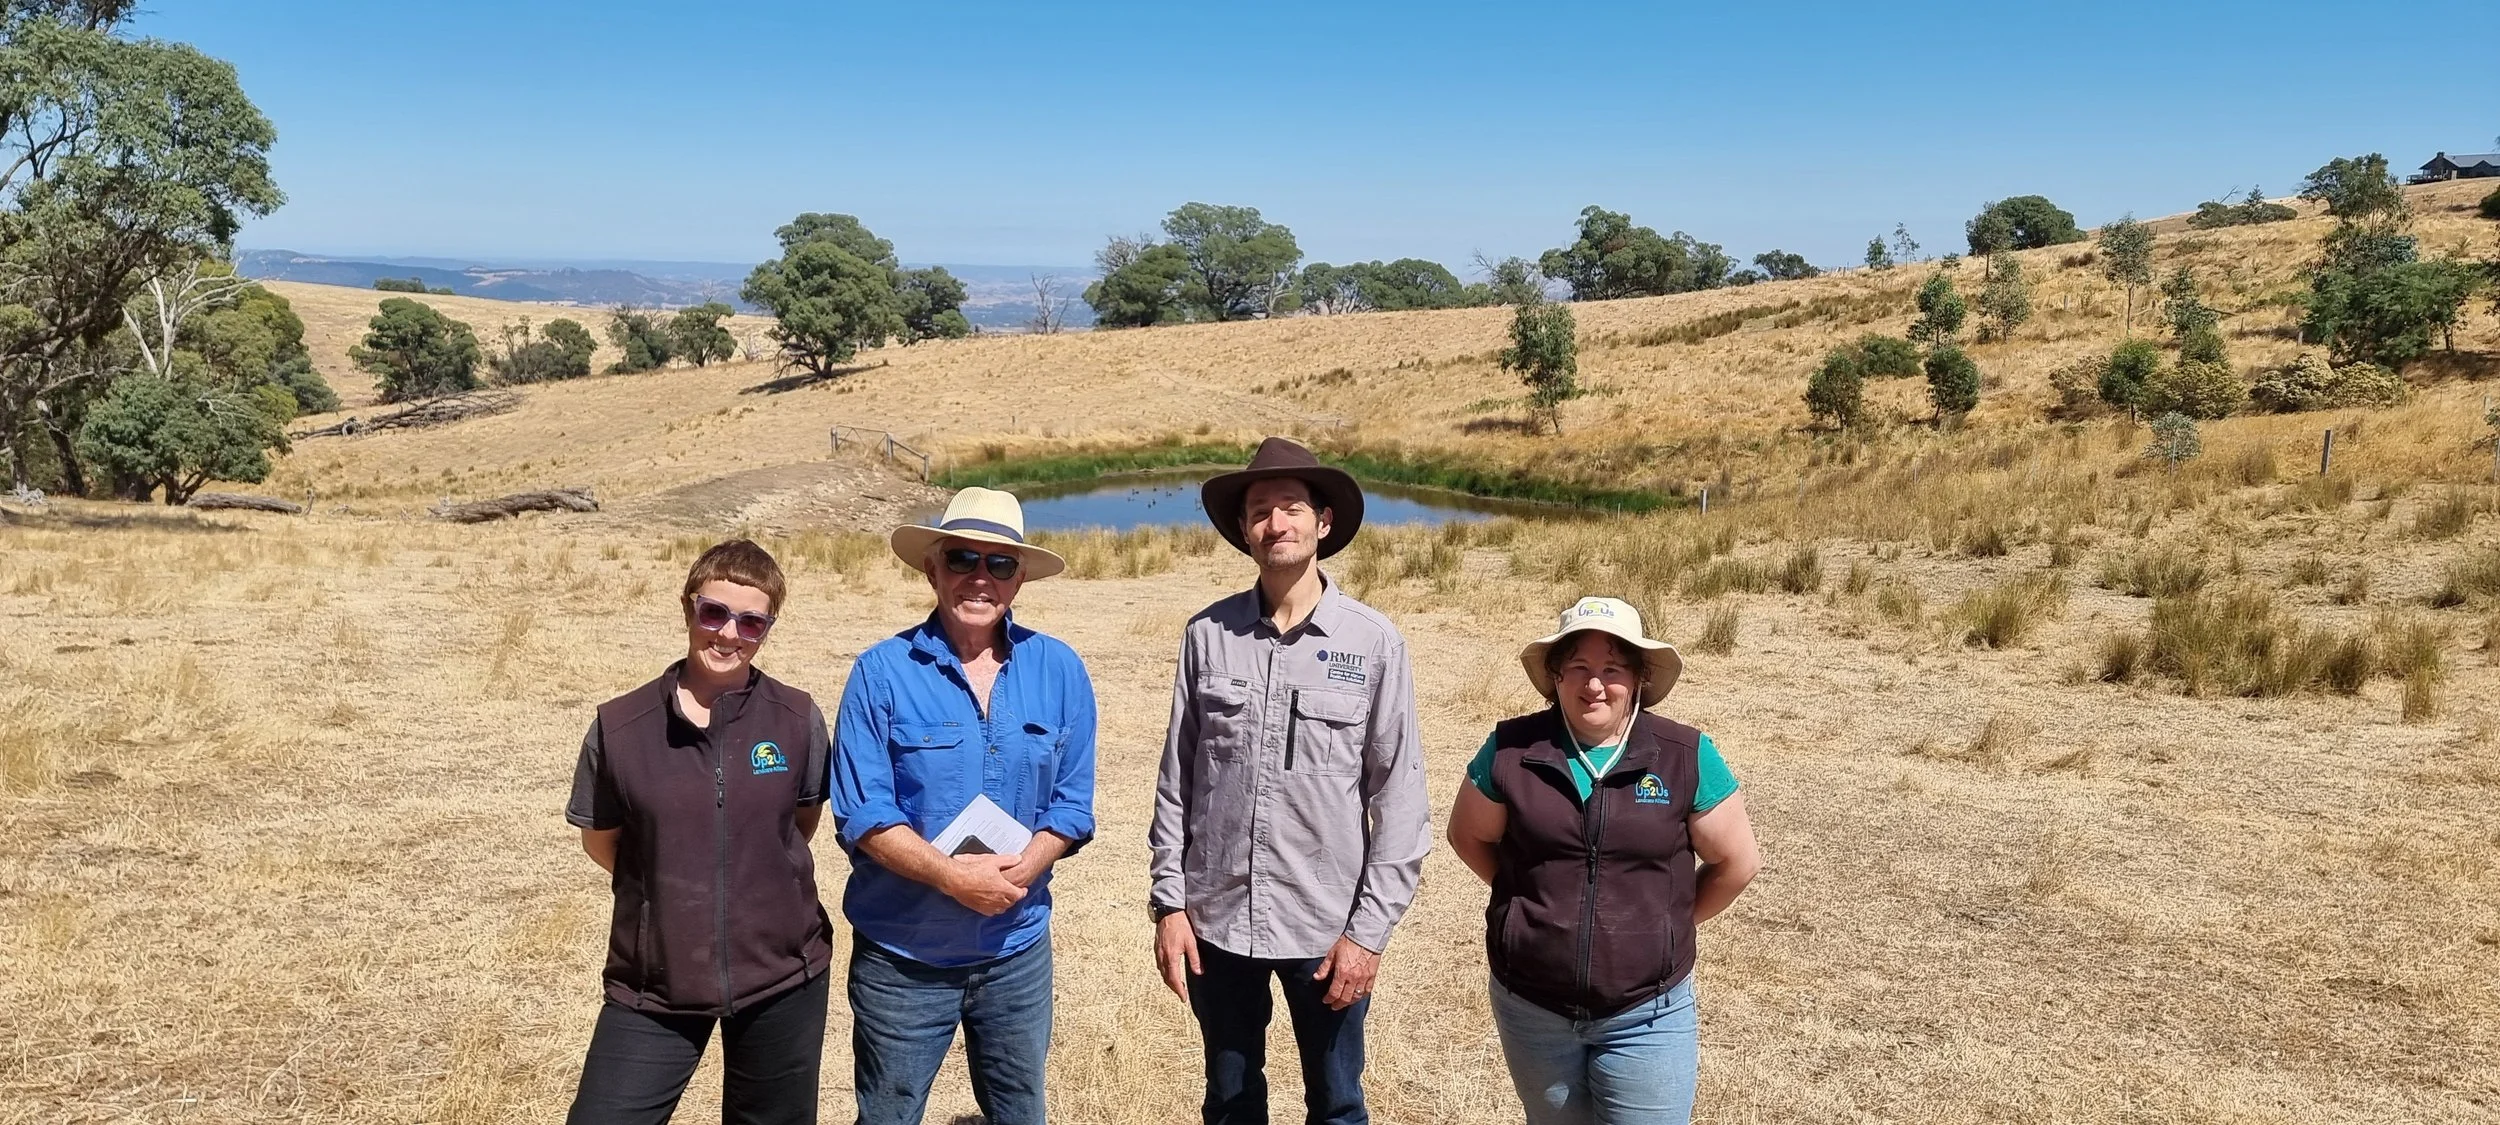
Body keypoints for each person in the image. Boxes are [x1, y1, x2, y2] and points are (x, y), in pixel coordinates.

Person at [1149, 437, 1433, 1125]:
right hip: (1218, 921)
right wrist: (1170, 904)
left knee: (1336, 1105)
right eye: (1259, 510)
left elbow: (1401, 802)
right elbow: (1174, 784)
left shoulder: (1372, 642)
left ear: (1323, 522)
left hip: (1326, 928)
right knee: (1230, 1098)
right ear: (1244, 529)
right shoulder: (1207, 635)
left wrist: (1366, 935)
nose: (1276, 523)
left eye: (1291, 507)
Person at [830, 487, 1097, 1125]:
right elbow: (863, 813)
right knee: (887, 1115)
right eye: (961, 560)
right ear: (932, 568)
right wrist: (952, 877)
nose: (981, 577)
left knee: (1020, 1113)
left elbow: (1071, 803)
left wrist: (1026, 868)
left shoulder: (1060, 670)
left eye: (1000, 564)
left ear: (1021, 577)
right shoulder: (879, 673)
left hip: (1016, 952)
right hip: (903, 957)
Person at [1445, 596, 1762, 1125]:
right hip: (1532, 1008)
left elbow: (1738, 861)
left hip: (1647, 1013)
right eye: (1580, 668)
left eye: (1612, 669)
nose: (1595, 685)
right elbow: (1467, 836)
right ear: (1556, 675)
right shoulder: (1509, 749)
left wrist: (1668, 919)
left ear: (1638, 678)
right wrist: (1526, 903)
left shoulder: (1684, 754)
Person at [564, 539, 834, 1125]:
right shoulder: (621, 726)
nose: (729, 633)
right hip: (653, 984)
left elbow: (798, 825)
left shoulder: (796, 719)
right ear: (689, 609)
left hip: (783, 976)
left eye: (751, 621)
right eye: (714, 612)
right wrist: (673, 881)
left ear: (767, 628)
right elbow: (602, 841)